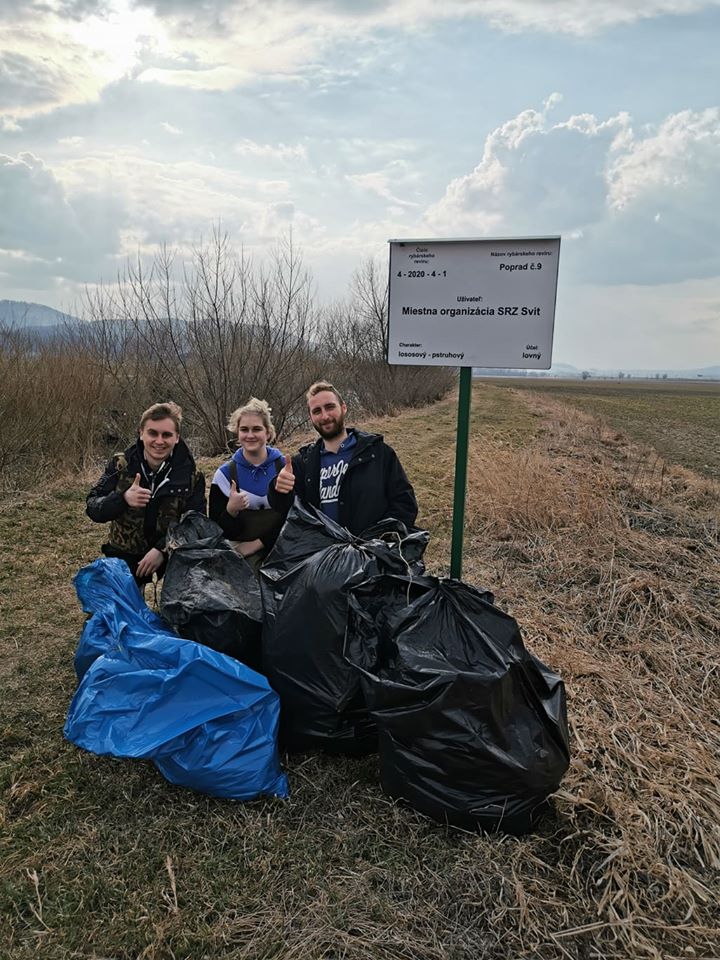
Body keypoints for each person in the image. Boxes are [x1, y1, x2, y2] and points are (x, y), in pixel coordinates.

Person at [268, 380, 418, 535]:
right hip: (324, 555)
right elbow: (285, 509)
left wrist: (381, 541)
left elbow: (405, 504)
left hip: (372, 553)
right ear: (311, 417)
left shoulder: (378, 453)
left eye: (330, 407)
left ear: (343, 408)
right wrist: (278, 489)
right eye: (317, 411)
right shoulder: (303, 463)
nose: (325, 416)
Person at [86, 402, 206, 583]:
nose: (159, 441)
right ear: (141, 433)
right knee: (114, 608)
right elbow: (93, 507)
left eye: (166, 435)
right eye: (152, 433)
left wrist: (162, 549)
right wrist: (123, 499)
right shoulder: (120, 466)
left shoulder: (192, 476)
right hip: (125, 554)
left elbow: (196, 524)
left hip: (173, 555)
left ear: (177, 438)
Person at [209, 397, 286, 567]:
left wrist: (258, 543)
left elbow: (297, 520)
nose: (250, 435)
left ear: (268, 432)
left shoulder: (285, 469)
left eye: (257, 429)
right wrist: (230, 511)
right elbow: (216, 531)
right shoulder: (224, 476)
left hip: (284, 547)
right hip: (240, 554)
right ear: (237, 433)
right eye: (244, 429)